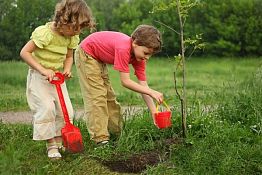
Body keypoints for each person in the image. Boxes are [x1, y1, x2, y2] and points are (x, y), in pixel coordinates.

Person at [20, 0, 94, 159]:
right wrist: (43, 69)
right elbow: (24, 53)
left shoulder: (71, 37)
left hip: (57, 79)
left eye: (81, 28)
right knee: (47, 108)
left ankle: (61, 141)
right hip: (39, 77)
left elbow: (69, 56)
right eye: (76, 27)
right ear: (64, 20)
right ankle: (51, 144)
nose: (78, 32)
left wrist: (67, 69)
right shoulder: (44, 33)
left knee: (66, 110)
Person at [75, 24, 164, 146]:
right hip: (87, 54)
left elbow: (144, 87)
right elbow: (125, 81)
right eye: (146, 53)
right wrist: (151, 92)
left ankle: (116, 133)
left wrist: (154, 112)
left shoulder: (140, 58)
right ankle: (100, 139)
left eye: (150, 55)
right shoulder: (124, 48)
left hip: (99, 59)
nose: (147, 58)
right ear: (135, 43)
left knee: (109, 97)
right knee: (97, 97)